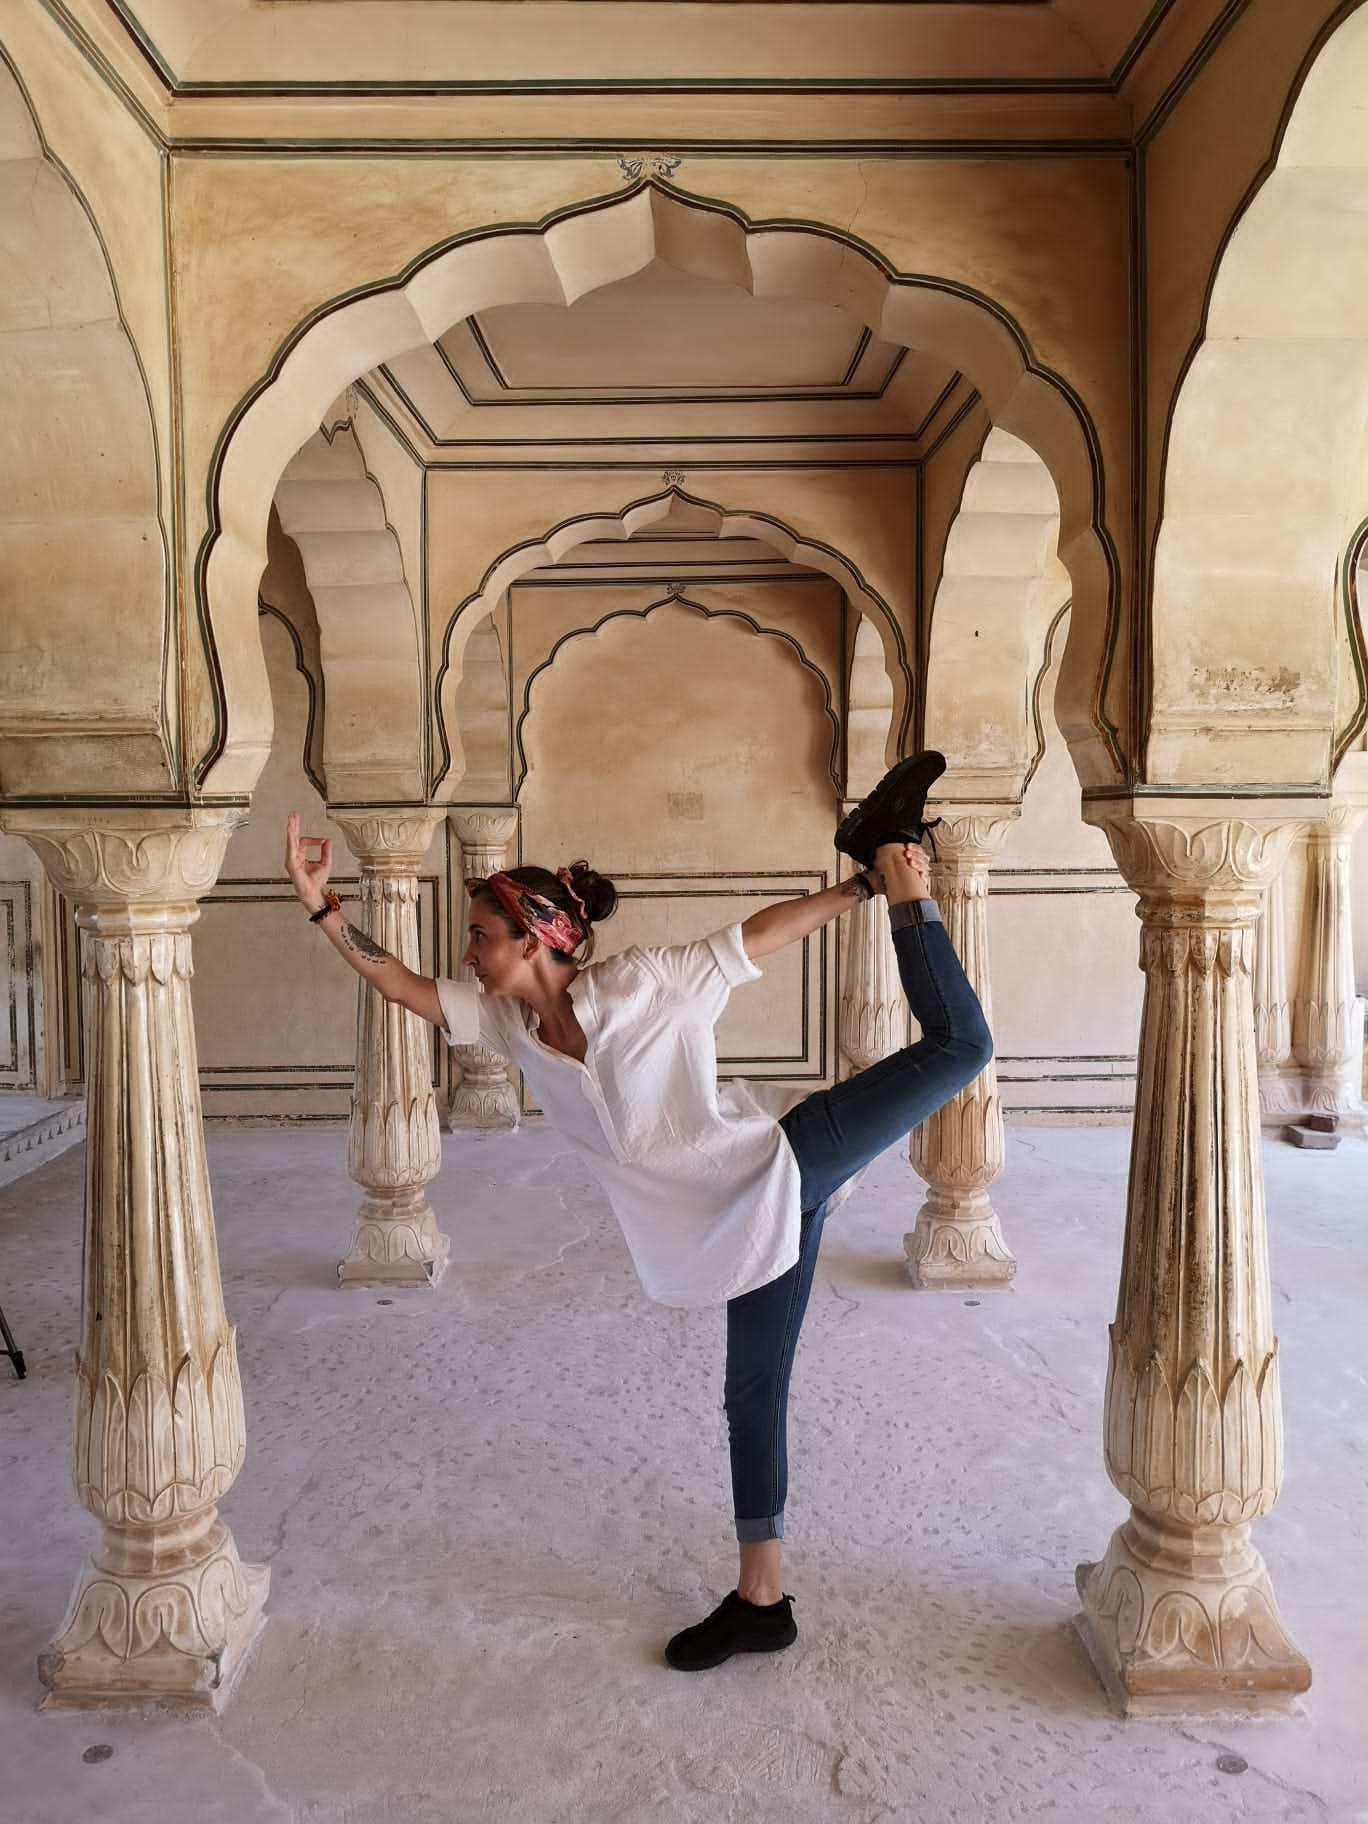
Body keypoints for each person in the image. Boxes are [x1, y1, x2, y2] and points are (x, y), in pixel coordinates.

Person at [283, 751, 992, 1671]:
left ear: (534, 937)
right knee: (751, 1395)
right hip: (738, 1226)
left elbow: (757, 936)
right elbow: (402, 988)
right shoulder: (511, 1028)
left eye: (479, 936)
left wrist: (862, 888)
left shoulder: (643, 982)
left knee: (960, 1045)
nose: (466, 953)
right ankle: (760, 1603)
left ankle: (900, 870)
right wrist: (323, 909)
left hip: (785, 1156)